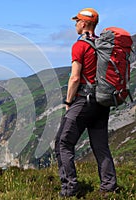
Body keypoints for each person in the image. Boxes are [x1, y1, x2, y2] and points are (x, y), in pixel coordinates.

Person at [54, 8, 117, 197]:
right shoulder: (101, 45)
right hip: (101, 102)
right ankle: (109, 187)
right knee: (100, 146)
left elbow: (74, 78)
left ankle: (70, 188)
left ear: (83, 24)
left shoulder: (80, 45)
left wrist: (68, 101)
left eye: (76, 22)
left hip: (83, 101)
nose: (75, 25)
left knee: (62, 143)